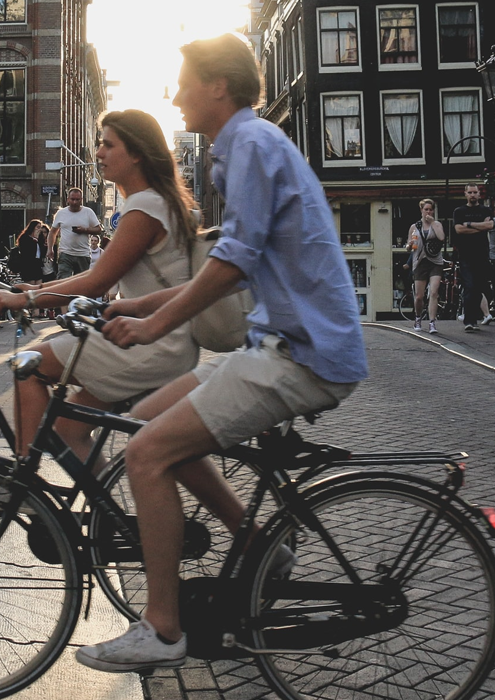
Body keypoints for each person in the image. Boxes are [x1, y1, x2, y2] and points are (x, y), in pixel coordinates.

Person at [78, 33, 366, 673]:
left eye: (184, 82)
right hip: (277, 343)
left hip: (303, 354)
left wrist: (156, 325)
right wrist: (138, 308)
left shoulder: (253, 145)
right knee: (145, 422)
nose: (175, 95)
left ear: (217, 86)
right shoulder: (239, 149)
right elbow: (238, 263)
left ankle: (162, 628)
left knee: (145, 453)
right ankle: (261, 545)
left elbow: (233, 262)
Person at [0, 109, 200, 465]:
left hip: (148, 343)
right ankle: (103, 504)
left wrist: (23, 299)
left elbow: (96, 281)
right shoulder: (163, 201)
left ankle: (21, 482)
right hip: (164, 341)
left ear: (136, 152)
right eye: (100, 143)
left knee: (29, 365)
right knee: (69, 431)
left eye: (108, 145)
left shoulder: (145, 206)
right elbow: (95, 275)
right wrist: (33, 290)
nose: (99, 152)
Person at [452, 183, 494, 331]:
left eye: (475, 192)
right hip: (466, 254)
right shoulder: (459, 211)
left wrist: (469, 224)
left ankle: (474, 317)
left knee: (480, 287)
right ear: (465, 194)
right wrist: (480, 227)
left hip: (482, 254)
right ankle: (469, 321)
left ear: (479, 194)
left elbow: (490, 226)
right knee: (469, 286)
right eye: (470, 192)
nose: (472, 195)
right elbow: (459, 229)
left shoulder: (486, 210)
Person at [406, 198, 445, 334]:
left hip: (435, 261)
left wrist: (432, 222)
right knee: (419, 296)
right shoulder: (414, 227)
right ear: (421, 210)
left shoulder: (437, 224)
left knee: (434, 292)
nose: (428, 212)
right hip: (420, 261)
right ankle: (418, 318)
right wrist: (410, 245)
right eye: (426, 209)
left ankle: (432, 322)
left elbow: (441, 237)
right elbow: (408, 247)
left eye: (430, 209)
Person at [48, 187, 102, 281]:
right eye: (72, 199)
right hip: (65, 253)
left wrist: (85, 230)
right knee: (63, 280)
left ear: (81, 200)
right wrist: (50, 249)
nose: (74, 202)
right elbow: (52, 232)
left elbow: (98, 229)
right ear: (68, 199)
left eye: (77, 200)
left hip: (83, 254)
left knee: (81, 282)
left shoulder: (88, 212)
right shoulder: (61, 213)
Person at [11, 219, 47, 284]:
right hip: (28, 265)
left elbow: (42, 251)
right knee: (31, 284)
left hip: (37, 264)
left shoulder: (40, 239)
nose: (39, 230)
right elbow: (27, 252)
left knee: (39, 284)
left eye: (40, 227)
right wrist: (34, 240)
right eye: (38, 227)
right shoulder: (25, 238)